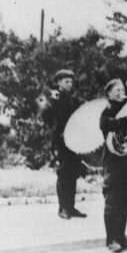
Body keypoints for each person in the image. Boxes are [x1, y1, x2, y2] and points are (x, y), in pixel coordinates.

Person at [99, 79, 127, 253]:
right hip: (114, 160)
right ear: (108, 93)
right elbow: (106, 124)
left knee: (125, 201)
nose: (121, 92)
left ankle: (122, 237)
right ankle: (111, 239)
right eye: (117, 90)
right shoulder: (107, 111)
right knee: (113, 200)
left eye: (122, 89)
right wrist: (126, 122)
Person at [40, 69, 86, 220]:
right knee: (64, 173)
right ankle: (63, 208)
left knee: (73, 173)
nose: (70, 84)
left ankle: (71, 207)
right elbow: (45, 114)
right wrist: (48, 100)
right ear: (58, 82)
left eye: (71, 81)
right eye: (66, 81)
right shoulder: (54, 97)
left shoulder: (73, 100)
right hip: (61, 141)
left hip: (74, 140)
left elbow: (83, 110)